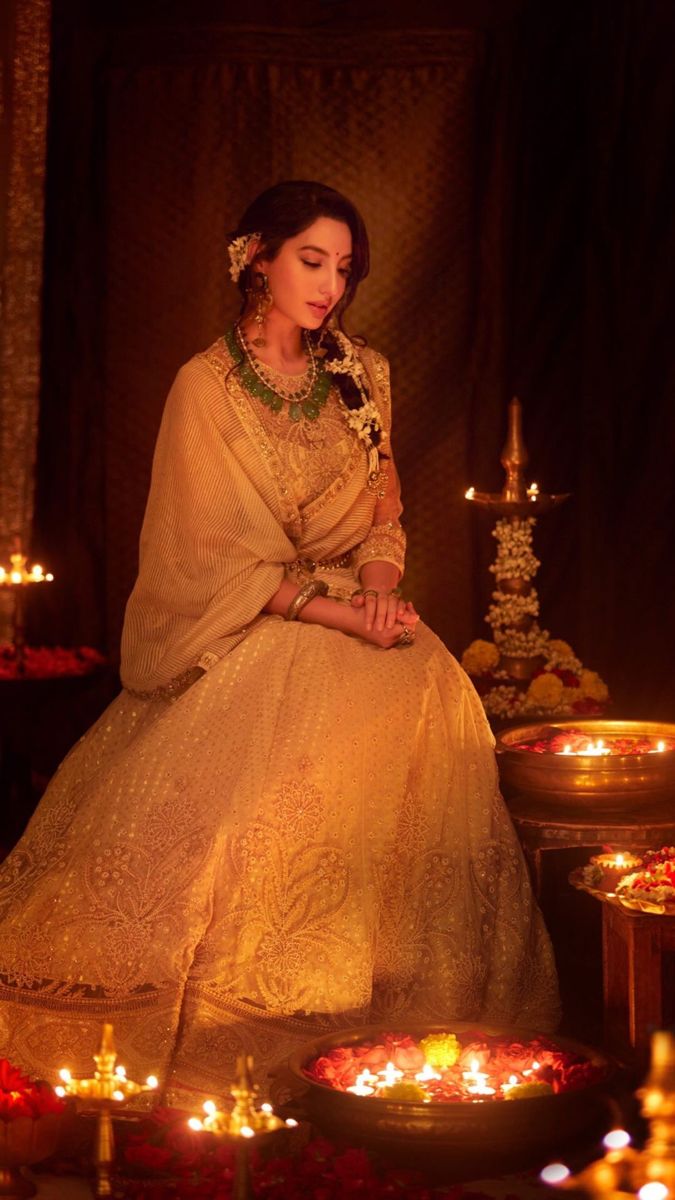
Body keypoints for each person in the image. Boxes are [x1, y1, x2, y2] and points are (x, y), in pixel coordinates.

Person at [0, 181, 558, 1105]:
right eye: (311, 260)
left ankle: (390, 1025)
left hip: (362, 620)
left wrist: (380, 596)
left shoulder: (363, 373)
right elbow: (207, 556)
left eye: (343, 268)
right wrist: (336, 615)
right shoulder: (205, 388)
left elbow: (385, 519)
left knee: (425, 690)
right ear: (256, 257)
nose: (330, 285)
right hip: (252, 629)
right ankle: (246, 1034)